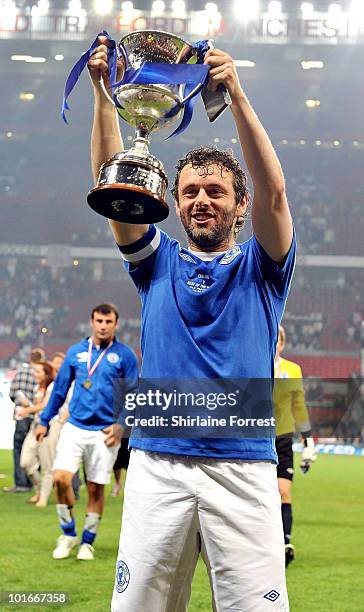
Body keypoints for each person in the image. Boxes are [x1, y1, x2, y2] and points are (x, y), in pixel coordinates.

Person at [89, 38, 295, 611]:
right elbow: (116, 192)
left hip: (244, 463)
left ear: (240, 204)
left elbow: (277, 195)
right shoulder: (157, 263)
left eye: (216, 192)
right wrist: (104, 94)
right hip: (159, 462)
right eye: (190, 192)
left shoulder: (263, 265)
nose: (202, 200)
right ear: (175, 205)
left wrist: (236, 94)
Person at [35, 304, 138, 561]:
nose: (103, 325)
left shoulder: (125, 356)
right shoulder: (76, 352)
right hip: (75, 426)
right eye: (99, 320)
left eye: (108, 321)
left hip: (105, 432)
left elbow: (135, 394)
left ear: (116, 324)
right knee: (60, 478)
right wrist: (44, 420)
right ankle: (68, 534)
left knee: (95, 488)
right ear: (91, 322)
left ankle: (87, 543)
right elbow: (59, 391)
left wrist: (121, 424)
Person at [274, 325, 317, 567]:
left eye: (278, 340)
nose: (275, 344)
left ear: (283, 343)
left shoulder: (292, 370)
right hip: (256, 439)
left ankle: (284, 543)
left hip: (282, 440)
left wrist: (309, 442)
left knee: (284, 492)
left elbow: (299, 406)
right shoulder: (254, 366)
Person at [4, 347, 45, 493]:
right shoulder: (42, 375)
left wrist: (19, 403)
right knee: (37, 451)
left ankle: (22, 484)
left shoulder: (20, 372)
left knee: (19, 449)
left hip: (21, 416)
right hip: (37, 418)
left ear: (30, 358)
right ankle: (37, 483)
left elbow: (12, 393)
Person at [19, 361, 55, 505]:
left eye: (38, 372)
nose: (35, 374)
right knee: (25, 462)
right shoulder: (36, 388)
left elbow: (47, 406)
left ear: (46, 374)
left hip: (49, 428)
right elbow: (39, 408)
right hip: (34, 427)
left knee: (47, 465)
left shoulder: (52, 388)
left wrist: (27, 410)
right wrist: (29, 406)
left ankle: (43, 498)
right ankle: (39, 489)